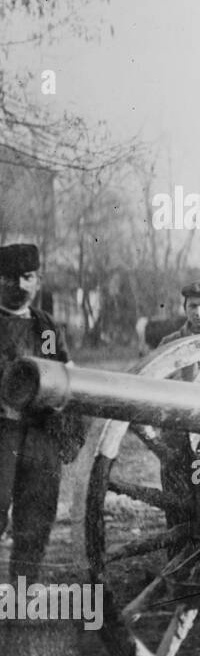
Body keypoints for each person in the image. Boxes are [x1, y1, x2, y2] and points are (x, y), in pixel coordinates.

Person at [0, 243, 77, 583]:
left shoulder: (45, 327)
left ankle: (21, 596)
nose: (19, 285)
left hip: (41, 436)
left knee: (36, 520)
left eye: (27, 277)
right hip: (2, 434)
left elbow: (65, 376)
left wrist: (70, 430)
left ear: (38, 280)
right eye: (9, 278)